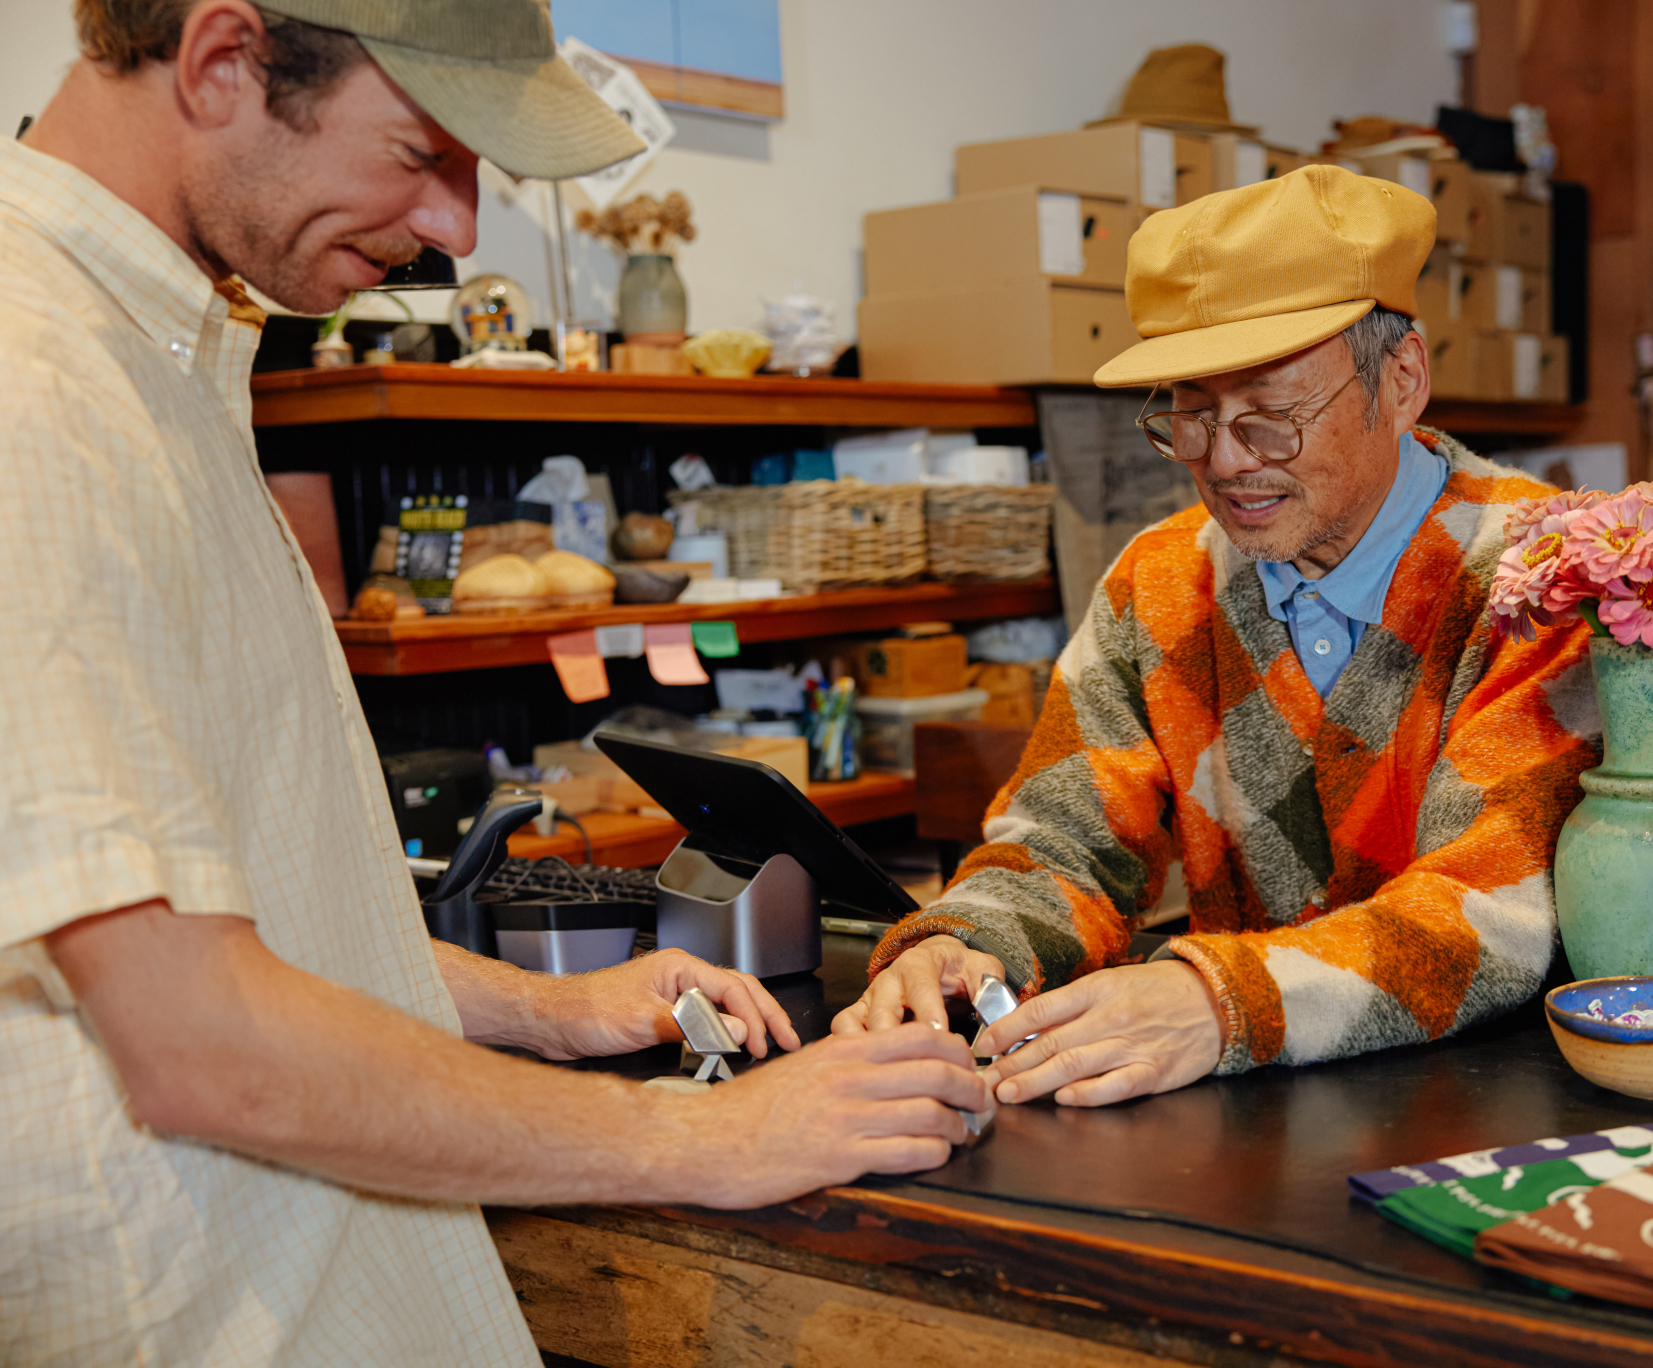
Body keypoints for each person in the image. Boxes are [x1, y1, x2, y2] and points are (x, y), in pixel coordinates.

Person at [0, 3, 987, 1364]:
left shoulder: (159, 357)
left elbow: (248, 899)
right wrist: (697, 1132)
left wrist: (541, 1006)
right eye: (420, 152)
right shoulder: (34, 389)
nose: (461, 230)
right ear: (223, 64)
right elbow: (200, 1040)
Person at [835, 166, 1599, 1108]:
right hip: (1259, 1113)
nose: (1226, 461)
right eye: (1192, 412)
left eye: (1271, 415)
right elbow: (1068, 841)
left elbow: (1496, 914)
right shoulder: (1159, 582)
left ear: (1402, 381)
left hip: (1496, 1109)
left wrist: (1216, 997)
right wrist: (965, 940)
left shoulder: (1551, 575)